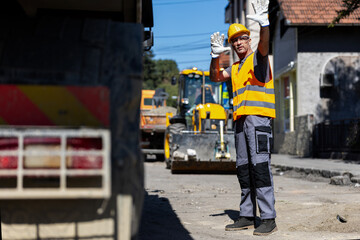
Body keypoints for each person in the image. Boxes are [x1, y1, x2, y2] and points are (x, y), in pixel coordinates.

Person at [209, 0, 277, 236]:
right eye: (234, 40)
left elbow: (265, 44)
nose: (238, 42)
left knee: (260, 168)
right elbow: (215, 76)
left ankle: (268, 218)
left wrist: (265, 24)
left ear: (249, 39)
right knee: (244, 169)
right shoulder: (236, 68)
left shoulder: (257, 58)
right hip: (240, 122)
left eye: (242, 38)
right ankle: (247, 215)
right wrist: (215, 57)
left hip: (259, 120)